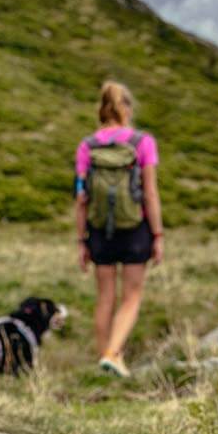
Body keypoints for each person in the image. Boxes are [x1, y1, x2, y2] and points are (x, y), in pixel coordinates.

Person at [74, 81, 164, 378]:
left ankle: (106, 359)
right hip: (134, 228)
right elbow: (150, 193)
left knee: (105, 297)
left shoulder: (87, 146)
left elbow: (81, 198)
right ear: (126, 108)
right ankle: (113, 354)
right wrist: (158, 235)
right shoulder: (142, 143)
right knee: (132, 296)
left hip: (100, 231)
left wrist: (81, 240)